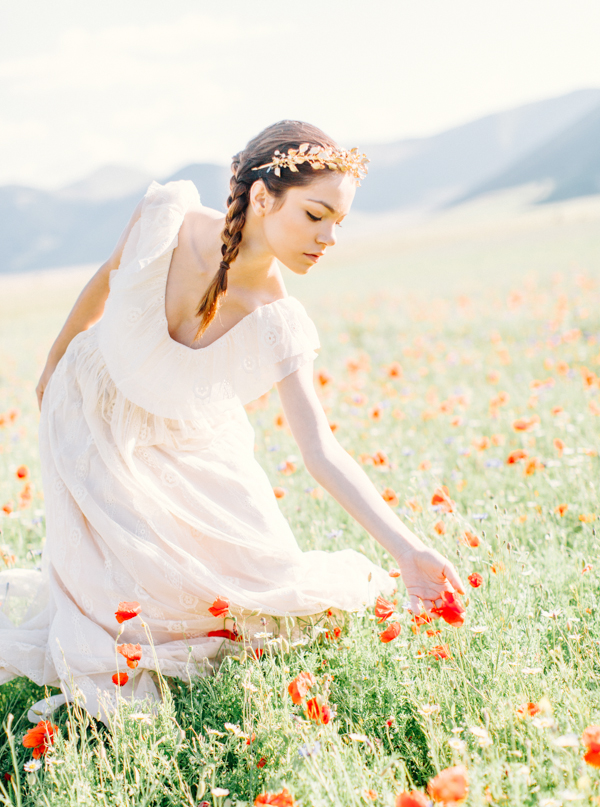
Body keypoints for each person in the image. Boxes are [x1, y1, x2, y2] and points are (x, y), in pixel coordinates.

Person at [0, 120, 464, 725]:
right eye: (316, 215)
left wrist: (407, 550)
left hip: (187, 431)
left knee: (261, 585)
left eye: (338, 224)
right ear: (264, 196)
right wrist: (54, 363)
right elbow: (104, 281)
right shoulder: (168, 215)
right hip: (91, 412)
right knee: (136, 609)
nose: (328, 238)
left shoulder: (276, 315)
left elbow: (320, 450)